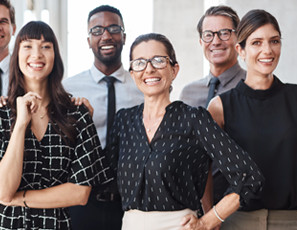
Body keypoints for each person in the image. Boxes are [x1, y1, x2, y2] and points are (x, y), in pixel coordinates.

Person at [109, 33, 264, 230]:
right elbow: (104, 178)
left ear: (174, 70)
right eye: (139, 63)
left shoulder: (194, 119)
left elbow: (249, 176)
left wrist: (209, 221)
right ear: (132, 73)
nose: (149, 69)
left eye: (158, 60)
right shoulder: (123, 121)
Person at [0, 20, 111, 230]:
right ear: (16, 54)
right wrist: (20, 125)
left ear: (55, 56)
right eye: (27, 46)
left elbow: (80, 193)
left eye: (45, 47)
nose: (36, 55)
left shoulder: (77, 113)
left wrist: (19, 199)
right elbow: (2, 191)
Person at [208, 9, 297, 230]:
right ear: (240, 49)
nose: (267, 50)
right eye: (257, 43)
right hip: (236, 222)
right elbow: (204, 173)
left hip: (289, 222)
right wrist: (209, 216)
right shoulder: (220, 106)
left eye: (274, 41)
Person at [62, 5, 144, 230]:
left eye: (113, 28)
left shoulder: (143, 87)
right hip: (81, 202)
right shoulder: (67, 89)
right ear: (88, 40)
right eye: (97, 30)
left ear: (124, 36)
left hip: (131, 202)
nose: (106, 35)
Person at [179, 5, 247, 208]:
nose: (216, 41)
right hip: (194, 203)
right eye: (208, 35)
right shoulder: (188, 93)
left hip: (241, 202)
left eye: (225, 33)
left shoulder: (251, 87)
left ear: (238, 39)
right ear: (201, 41)